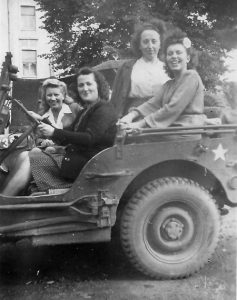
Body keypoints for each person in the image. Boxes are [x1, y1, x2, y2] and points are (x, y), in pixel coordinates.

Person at [1, 67, 118, 196]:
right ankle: (9, 199)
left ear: (98, 86)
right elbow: (67, 135)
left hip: (89, 165)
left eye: (89, 84)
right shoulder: (86, 110)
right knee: (24, 155)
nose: (85, 88)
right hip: (76, 159)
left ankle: (5, 201)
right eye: (81, 85)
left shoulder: (104, 109)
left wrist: (53, 133)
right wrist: (41, 120)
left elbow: (89, 138)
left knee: (30, 160)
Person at [120, 29, 206, 130]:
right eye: (170, 54)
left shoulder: (192, 77)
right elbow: (152, 104)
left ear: (187, 58)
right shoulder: (168, 85)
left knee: (137, 140)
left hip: (186, 133)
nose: (174, 56)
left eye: (178, 52)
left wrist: (140, 124)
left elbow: (173, 108)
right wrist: (130, 116)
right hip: (170, 130)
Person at [110, 19, 170, 117]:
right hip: (133, 114)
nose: (150, 46)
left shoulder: (168, 67)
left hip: (163, 114)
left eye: (154, 41)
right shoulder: (127, 68)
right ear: (139, 45)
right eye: (145, 42)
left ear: (160, 44)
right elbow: (116, 98)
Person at [29, 78, 81, 151]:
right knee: (35, 151)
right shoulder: (43, 114)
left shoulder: (75, 108)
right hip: (51, 153)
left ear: (63, 96)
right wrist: (43, 142)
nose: (53, 98)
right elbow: (38, 138)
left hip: (73, 151)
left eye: (56, 95)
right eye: (49, 95)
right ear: (45, 97)